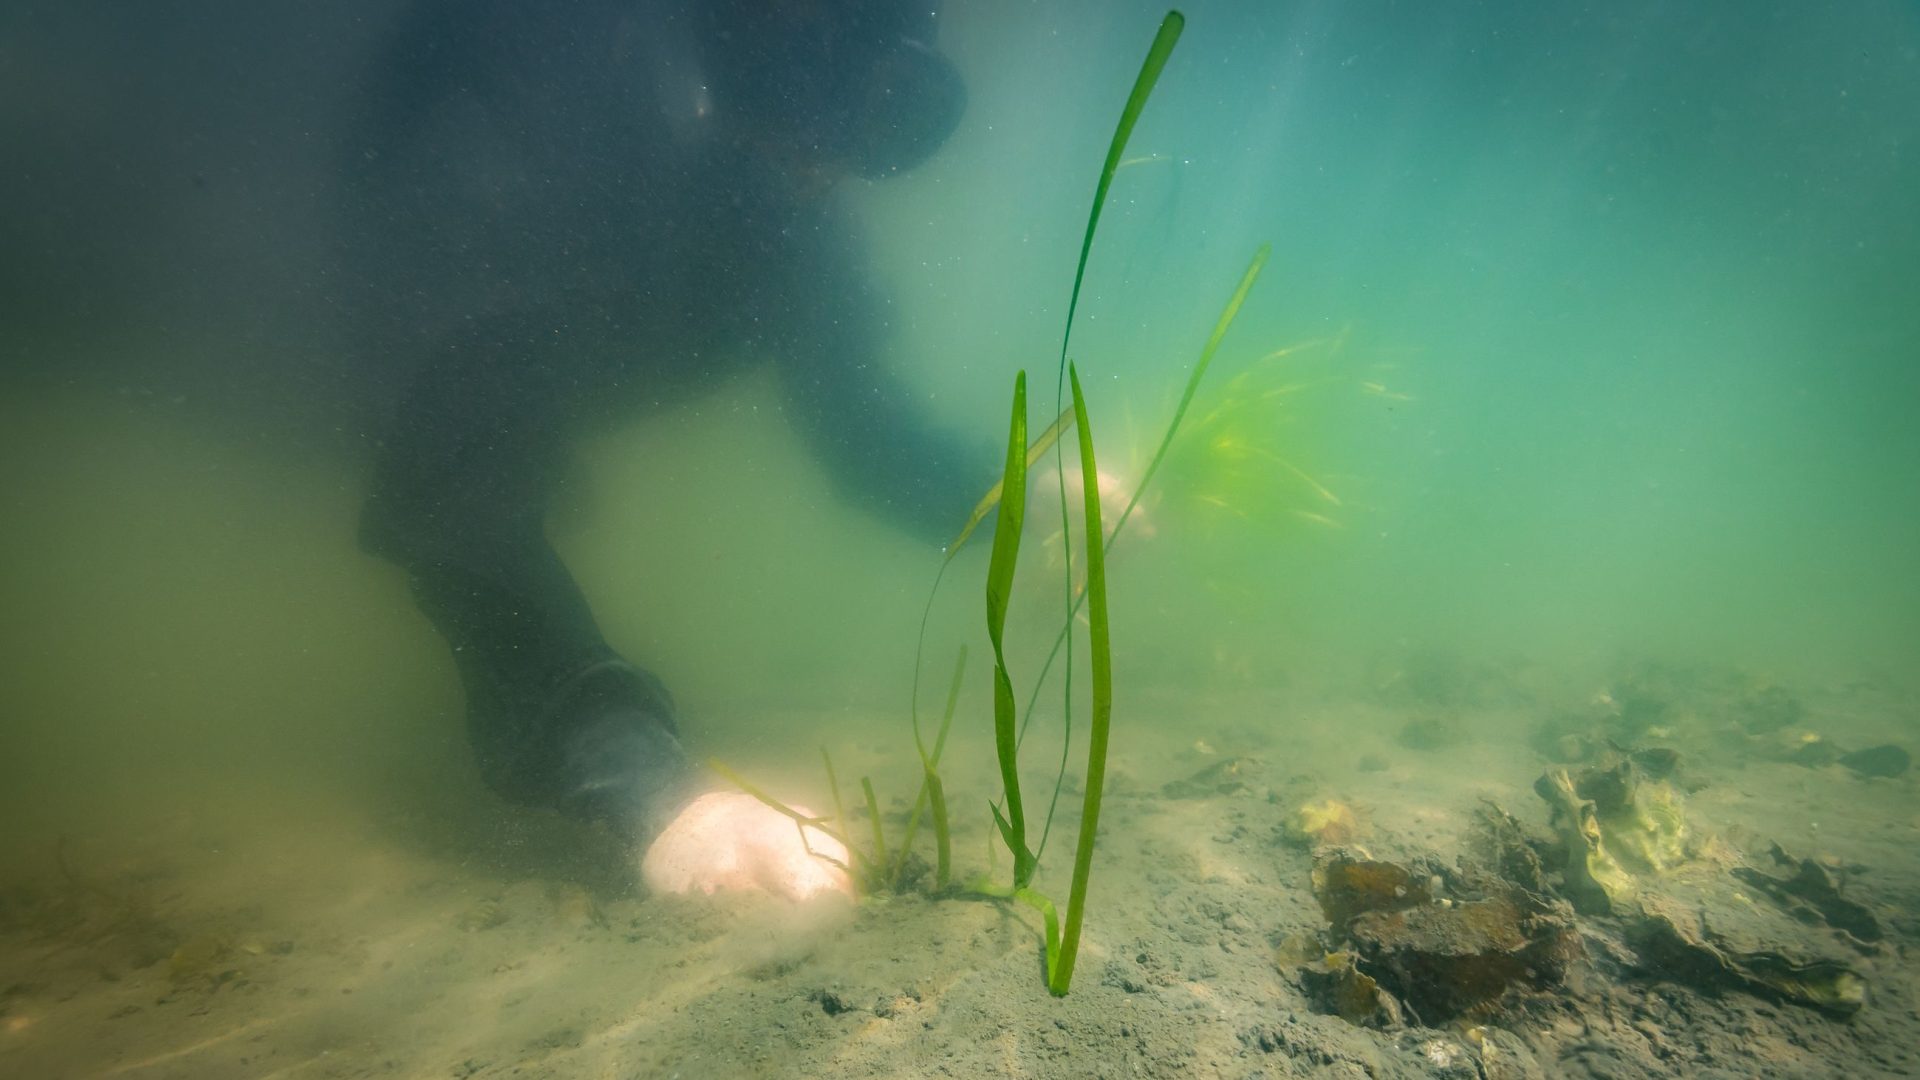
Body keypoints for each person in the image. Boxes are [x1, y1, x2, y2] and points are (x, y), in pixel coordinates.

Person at [338, 0, 989, 898]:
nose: (831, 153)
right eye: (820, 74)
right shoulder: (534, 129)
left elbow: (862, 434)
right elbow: (448, 474)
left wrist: (1027, 501)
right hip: (330, 329)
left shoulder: (775, 210)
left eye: (883, 107)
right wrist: (638, 776)